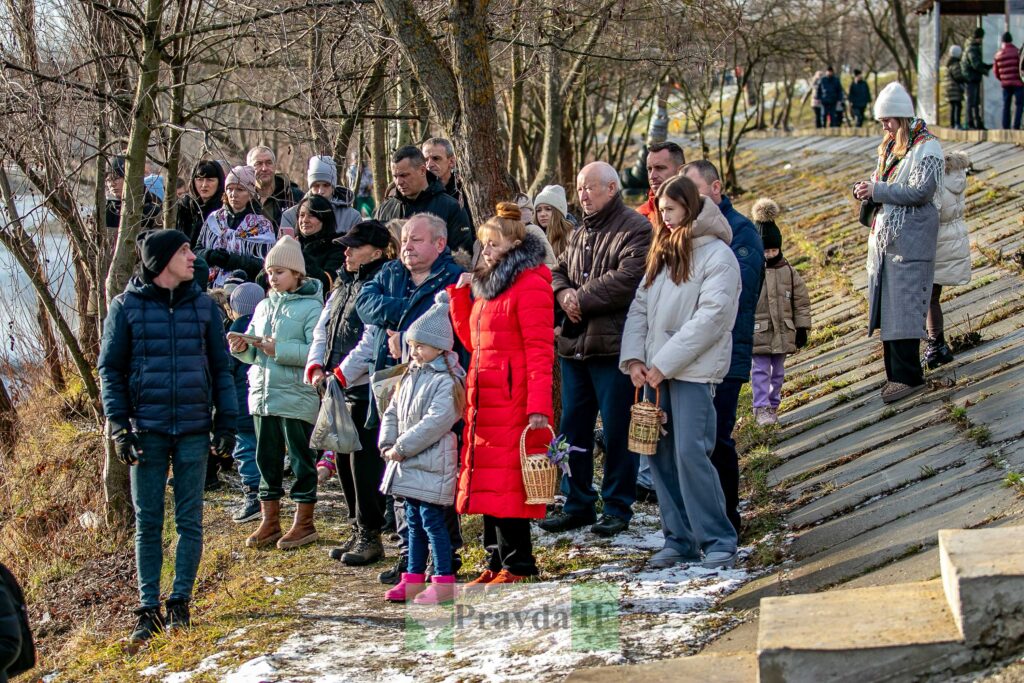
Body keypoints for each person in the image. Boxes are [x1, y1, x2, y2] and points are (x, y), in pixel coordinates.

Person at [98, 229, 237, 645]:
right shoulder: (125, 307)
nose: (192, 256)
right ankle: (147, 609)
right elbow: (111, 371)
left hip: (194, 428)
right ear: (160, 261)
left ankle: (180, 602)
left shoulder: (205, 307)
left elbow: (221, 367)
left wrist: (227, 421)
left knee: (190, 519)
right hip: (148, 430)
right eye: (183, 250)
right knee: (149, 522)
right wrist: (119, 427)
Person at [619, 174, 740, 570]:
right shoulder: (665, 250)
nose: (665, 217)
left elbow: (712, 317)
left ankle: (718, 537)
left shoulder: (718, 256)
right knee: (658, 455)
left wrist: (663, 362)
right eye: (662, 210)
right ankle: (679, 538)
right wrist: (636, 359)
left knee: (690, 453)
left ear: (690, 206)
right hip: (655, 371)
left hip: (692, 372)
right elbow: (640, 307)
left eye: (671, 209)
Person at [540, 161, 652, 537]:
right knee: (571, 430)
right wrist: (563, 293)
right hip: (574, 348)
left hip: (613, 347)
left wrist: (579, 298)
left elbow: (627, 279)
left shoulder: (636, 227)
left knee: (618, 430)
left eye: (590, 188)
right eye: (580, 188)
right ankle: (577, 503)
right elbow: (558, 271)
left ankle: (617, 506)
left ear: (612, 188)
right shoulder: (577, 232)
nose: (583, 195)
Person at [356, 213, 465, 583]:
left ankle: (446, 557)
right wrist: (410, 318)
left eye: (416, 240)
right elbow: (365, 304)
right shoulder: (389, 273)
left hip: (435, 385)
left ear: (438, 244)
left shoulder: (451, 278)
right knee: (399, 476)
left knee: (433, 478)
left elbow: (448, 326)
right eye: (404, 239)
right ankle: (409, 558)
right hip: (394, 381)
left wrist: (403, 331)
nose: (407, 246)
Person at [449, 202, 554, 584]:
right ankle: (495, 560)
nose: (486, 252)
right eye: (484, 245)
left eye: (493, 245)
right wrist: (461, 300)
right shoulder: (488, 288)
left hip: (513, 398)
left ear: (513, 245)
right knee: (488, 480)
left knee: (510, 481)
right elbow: (473, 342)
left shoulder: (530, 285)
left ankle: (518, 563)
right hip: (485, 395)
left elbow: (541, 349)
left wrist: (538, 405)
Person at [306, 220, 396, 566]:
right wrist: (316, 368)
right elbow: (322, 329)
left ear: (375, 251)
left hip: (361, 387)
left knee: (363, 462)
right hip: (333, 385)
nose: (346, 252)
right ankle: (356, 527)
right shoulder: (343, 284)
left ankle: (370, 533)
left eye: (353, 247)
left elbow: (371, 339)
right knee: (342, 457)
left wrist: (342, 375)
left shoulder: (380, 281)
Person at [682, 159, 763, 535]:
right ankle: (700, 518)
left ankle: (728, 517)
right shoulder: (682, 234)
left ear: (716, 189)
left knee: (717, 438)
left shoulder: (742, 231)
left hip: (728, 351)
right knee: (695, 441)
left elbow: (738, 292)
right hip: (689, 355)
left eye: (695, 192)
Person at [230, 236, 325, 550]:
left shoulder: (313, 307)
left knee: (300, 459)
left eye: (280, 272)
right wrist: (243, 349)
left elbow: (315, 350)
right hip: (262, 394)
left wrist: (279, 349)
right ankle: (269, 520)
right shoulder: (263, 305)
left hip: (297, 395)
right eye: (270, 272)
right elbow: (256, 350)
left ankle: (304, 521)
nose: (273, 277)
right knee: (265, 458)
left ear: (297, 274)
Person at [853, 82, 943, 403]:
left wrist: (877, 191)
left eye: (888, 120)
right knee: (890, 309)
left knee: (905, 308)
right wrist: (867, 187)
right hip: (891, 241)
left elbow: (921, 191)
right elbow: (888, 182)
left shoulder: (926, 147)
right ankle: (896, 375)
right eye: (881, 122)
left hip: (911, 240)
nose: (885, 127)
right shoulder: (892, 147)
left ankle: (909, 377)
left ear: (903, 117)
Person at [380, 292, 466, 604]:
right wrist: (388, 441)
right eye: (412, 345)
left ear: (441, 347)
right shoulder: (411, 375)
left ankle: (443, 580)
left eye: (421, 346)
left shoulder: (448, 380)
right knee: (412, 522)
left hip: (431, 461)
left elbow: (437, 421)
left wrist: (402, 446)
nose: (414, 351)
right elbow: (392, 410)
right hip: (406, 461)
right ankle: (412, 577)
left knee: (432, 522)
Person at [749, 199, 811, 426]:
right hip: (760, 332)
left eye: (774, 249)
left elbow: (801, 301)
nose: (770, 254)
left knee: (778, 372)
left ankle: (773, 404)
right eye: (766, 250)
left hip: (783, 331)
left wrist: (802, 327)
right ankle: (761, 406)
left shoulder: (788, 271)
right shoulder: (752, 273)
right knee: (760, 371)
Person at [374, 146, 473, 254]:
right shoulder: (385, 209)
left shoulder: (451, 208)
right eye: (395, 176)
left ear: (422, 170)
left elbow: (461, 255)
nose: (398, 182)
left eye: (404, 175)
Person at [195, 165, 277, 288]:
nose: (233, 194)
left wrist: (234, 260)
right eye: (230, 189)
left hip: (246, 288)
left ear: (250, 193)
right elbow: (196, 252)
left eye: (240, 189)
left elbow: (267, 264)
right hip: (210, 287)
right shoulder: (214, 219)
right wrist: (209, 255)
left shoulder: (262, 225)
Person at [927, 151, 972, 369]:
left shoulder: (938, 181)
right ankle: (936, 344)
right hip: (954, 238)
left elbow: (933, 213)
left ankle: (936, 346)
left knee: (928, 297)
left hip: (938, 243)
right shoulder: (958, 177)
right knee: (931, 296)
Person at [226, 282, 266, 523]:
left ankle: (252, 495)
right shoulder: (265, 325)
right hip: (264, 398)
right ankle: (267, 493)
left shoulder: (234, 332)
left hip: (241, 402)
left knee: (246, 449)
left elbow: (226, 370)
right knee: (263, 446)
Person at [281, 155, 362, 234]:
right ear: (310, 186)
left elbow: (360, 247)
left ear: (333, 187)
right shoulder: (290, 217)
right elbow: (285, 247)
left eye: (326, 185)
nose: (320, 191)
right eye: (316, 185)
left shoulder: (352, 217)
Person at [422, 137, 473, 228]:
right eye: (425, 160)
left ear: (452, 162)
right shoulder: (419, 191)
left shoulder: (466, 191)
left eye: (436, 158)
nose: (429, 165)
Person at [247, 146, 302, 227]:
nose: (264, 168)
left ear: (275, 166)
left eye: (269, 163)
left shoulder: (293, 196)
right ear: (248, 168)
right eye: (258, 164)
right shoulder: (243, 196)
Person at [176, 160, 226, 244]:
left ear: (220, 182)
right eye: (199, 179)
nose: (204, 185)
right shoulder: (184, 206)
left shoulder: (224, 209)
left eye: (210, 180)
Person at [637, 141, 686, 222]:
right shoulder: (639, 217)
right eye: (649, 169)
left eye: (660, 168)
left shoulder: (698, 211)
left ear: (680, 170)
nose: (652, 176)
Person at [532, 185, 574, 260]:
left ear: (558, 212)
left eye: (548, 209)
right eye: (539, 210)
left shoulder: (571, 237)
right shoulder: (532, 237)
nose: (542, 214)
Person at [962, 29, 992, 130]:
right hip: (971, 78)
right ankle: (971, 123)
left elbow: (977, 63)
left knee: (974, 102)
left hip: (972, 78)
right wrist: (985, 70)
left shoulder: (972, 47)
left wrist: (987, 66)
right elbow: (975, 64)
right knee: (972, 102)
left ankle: (975, 123)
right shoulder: (972, 48)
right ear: (978, 38)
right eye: (981, 38)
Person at [994, 33, 1023, 130]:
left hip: (1006, 84)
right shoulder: (1017, 52)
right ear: (1011, 40)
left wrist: (1003, 79)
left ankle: (1005, 126)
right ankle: (1016, 125)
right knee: (1019, 104)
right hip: (1018, 83)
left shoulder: (998, 54)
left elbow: (996, 72)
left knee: (1006, 105)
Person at [946, 46, 967, 130]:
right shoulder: (956, 64)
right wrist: (965, 78)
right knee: (958, 106)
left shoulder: (949, 64)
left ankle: (952, 124)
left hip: (949, 89)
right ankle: (957, 123)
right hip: (955, 89)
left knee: (953, 107)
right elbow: (957, 76)